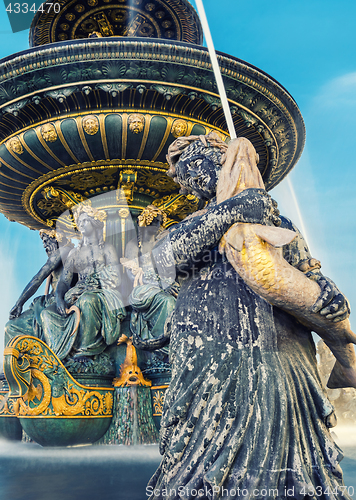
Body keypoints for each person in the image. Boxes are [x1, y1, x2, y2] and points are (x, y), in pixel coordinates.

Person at [147, 133, 351, 500]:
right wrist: (232, 208)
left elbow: (310, 275)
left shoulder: (279, 221)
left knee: (293, 452)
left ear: (225, 162)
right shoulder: (188, 227)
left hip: (284, 355)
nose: (194, 172)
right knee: (200, 456)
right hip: (209, 354)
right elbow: (162, 262)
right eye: (186, 171)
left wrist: (329, 307)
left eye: (202, 159)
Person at [39, 204, 126, 361]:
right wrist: (59, 298)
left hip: (102, 293)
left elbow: (117, 277)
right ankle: (56, 357)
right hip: (77, 293)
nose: (81, 225)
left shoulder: (107, 248)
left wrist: (96, 282)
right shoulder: (74, 253)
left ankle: (86, 351)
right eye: (79, 222)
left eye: (85, 220)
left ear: (94, 223)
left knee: (87, 300)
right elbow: (64, 282)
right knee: (46, 314)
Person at [122, 205, 178, 364]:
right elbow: (130, 273)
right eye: (153, 222)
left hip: (163, 284)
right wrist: (161, 283)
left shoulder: (162, 243)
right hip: (142, 288)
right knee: (167, 302)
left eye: (159, 223)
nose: (156, 227)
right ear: (145, 222)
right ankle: (163, 349)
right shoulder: (134, 245)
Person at [4, 229, 73, 346]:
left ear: (57, 239)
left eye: (47, 241)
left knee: (11, 327)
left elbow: (38, 279)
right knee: (10, 326)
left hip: (59, 301)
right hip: (48, 302)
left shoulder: (63, 251)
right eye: (43, 242)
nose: (45, 245)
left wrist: (19, 304)